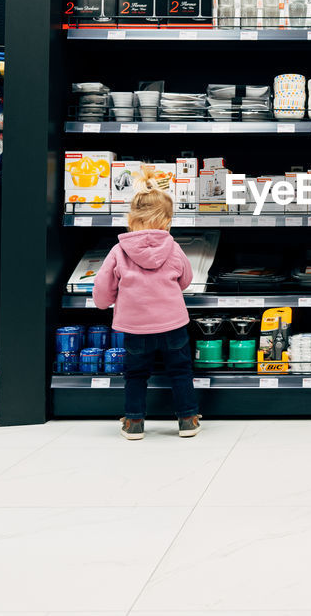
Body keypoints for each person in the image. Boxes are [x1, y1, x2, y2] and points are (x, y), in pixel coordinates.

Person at [92, 171, 200, 440]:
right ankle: (188, 419)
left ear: (130, 219)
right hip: (172, 324)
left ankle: (134, 423)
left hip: (134, 327)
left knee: (136, 374)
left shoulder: (118, 251)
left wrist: (106, 302)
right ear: (167, 220)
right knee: (180, 370)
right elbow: (185, 279)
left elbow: (103, 293)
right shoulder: (174, 248)